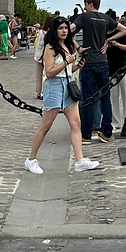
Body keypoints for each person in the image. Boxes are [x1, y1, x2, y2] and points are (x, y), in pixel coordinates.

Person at [25, 16, 100, 175]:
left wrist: (76, 66)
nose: (64, 31)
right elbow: (50, 72)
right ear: (55, 30)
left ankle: (79, 160)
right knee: (46, 126)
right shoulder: (50, 48)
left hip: (68, 85)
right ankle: (31, 159)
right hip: (54, 87)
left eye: (66, 28)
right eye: (61, 28)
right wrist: (67, 62)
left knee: (76, 123)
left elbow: (65, 71)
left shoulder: (68, 46)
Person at [71, 0, 118, 144]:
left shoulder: (85, 17)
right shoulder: (105, 18)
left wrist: (78, 47)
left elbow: (68, 29)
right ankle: (106, 132)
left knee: (88, 98)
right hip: (103, 62)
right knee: (105, 98)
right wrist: (108, 41)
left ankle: (86, 134)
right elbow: (124, 30)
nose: (84, 8)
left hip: (89, 61)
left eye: (85, 5)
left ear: (90, 4)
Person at [34, 15, 54, 99]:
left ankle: (38, 92)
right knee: (45, 75)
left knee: (39, 76)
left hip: (39, 56)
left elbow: (38, 44)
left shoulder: (41, 32)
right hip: (47, 56)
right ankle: (43, 92)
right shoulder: (52, 33)